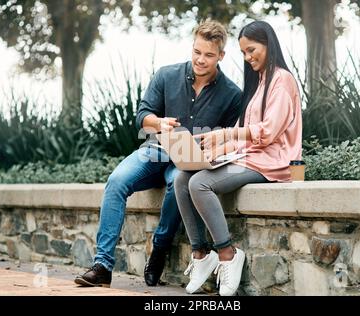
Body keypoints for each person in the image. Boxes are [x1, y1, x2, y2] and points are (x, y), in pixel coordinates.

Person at [74, 20, 242, 288]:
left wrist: (206, 150)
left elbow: (227, 139)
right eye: (197, 52)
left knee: (178, 185)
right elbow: (142, 116)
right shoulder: (166, 75)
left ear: (221, 55)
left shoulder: (233, 95)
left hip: (189, 162)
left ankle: (160, 250)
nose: (201, 60)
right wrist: (158, 123)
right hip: (154, 150)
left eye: (209, 55)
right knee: (116, 182)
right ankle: (102, 266)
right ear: (192, 46)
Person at [174, 20, 302, 296]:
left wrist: (224, 136)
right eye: (243, 52)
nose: (248, 57)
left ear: (269, 44)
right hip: (250, 157)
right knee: (182, 178)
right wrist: (211, 152)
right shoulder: (259, 82)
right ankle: (200, 254)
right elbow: (245, 136)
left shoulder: (282, 80)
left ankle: (227, 253)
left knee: (200, 184)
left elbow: (267, 133)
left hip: (272, 163)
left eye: (252, 50)